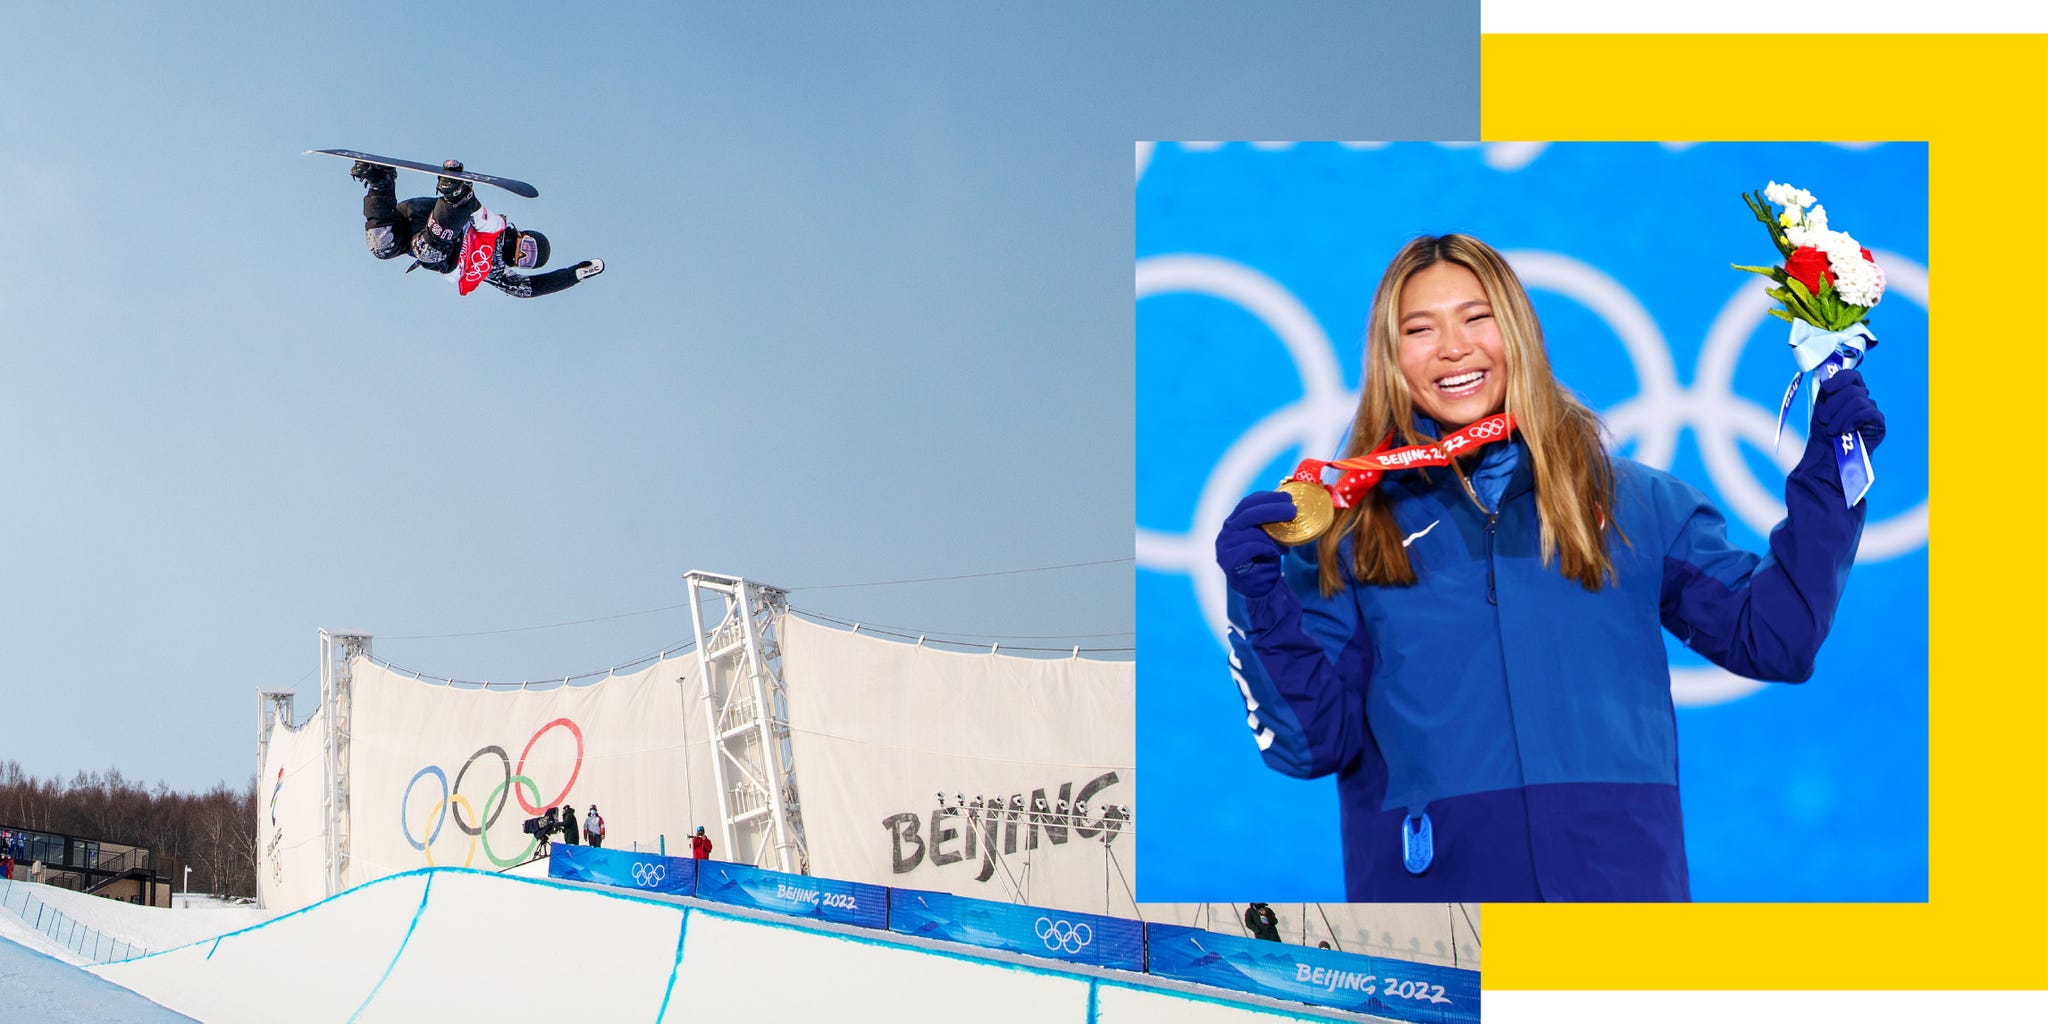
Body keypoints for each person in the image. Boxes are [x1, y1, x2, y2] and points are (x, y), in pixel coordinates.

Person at [1216, 234, 1884, 903]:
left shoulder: (1637, 506)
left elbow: (1778, 640)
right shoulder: (1354, 533)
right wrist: (1257, 599)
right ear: (1391, 358)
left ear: (1519, 332)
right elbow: (1309, 746)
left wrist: (1833, 469)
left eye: (1477, 318)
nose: (1453, 348)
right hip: (1438, 927)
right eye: (1420, 329)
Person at [350, 159, 604, 297]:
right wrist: (460, 194)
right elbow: (480, 215)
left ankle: (380, 181)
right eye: (527, 248)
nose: (521, 256)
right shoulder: (497, 229)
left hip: (417, 238)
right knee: (429, 252)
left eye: (527, 261)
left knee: (381, 246)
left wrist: (574, 275)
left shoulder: (499, 273)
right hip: (434, 220)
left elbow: (531, 289)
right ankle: (455, 195)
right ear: (522, 236)